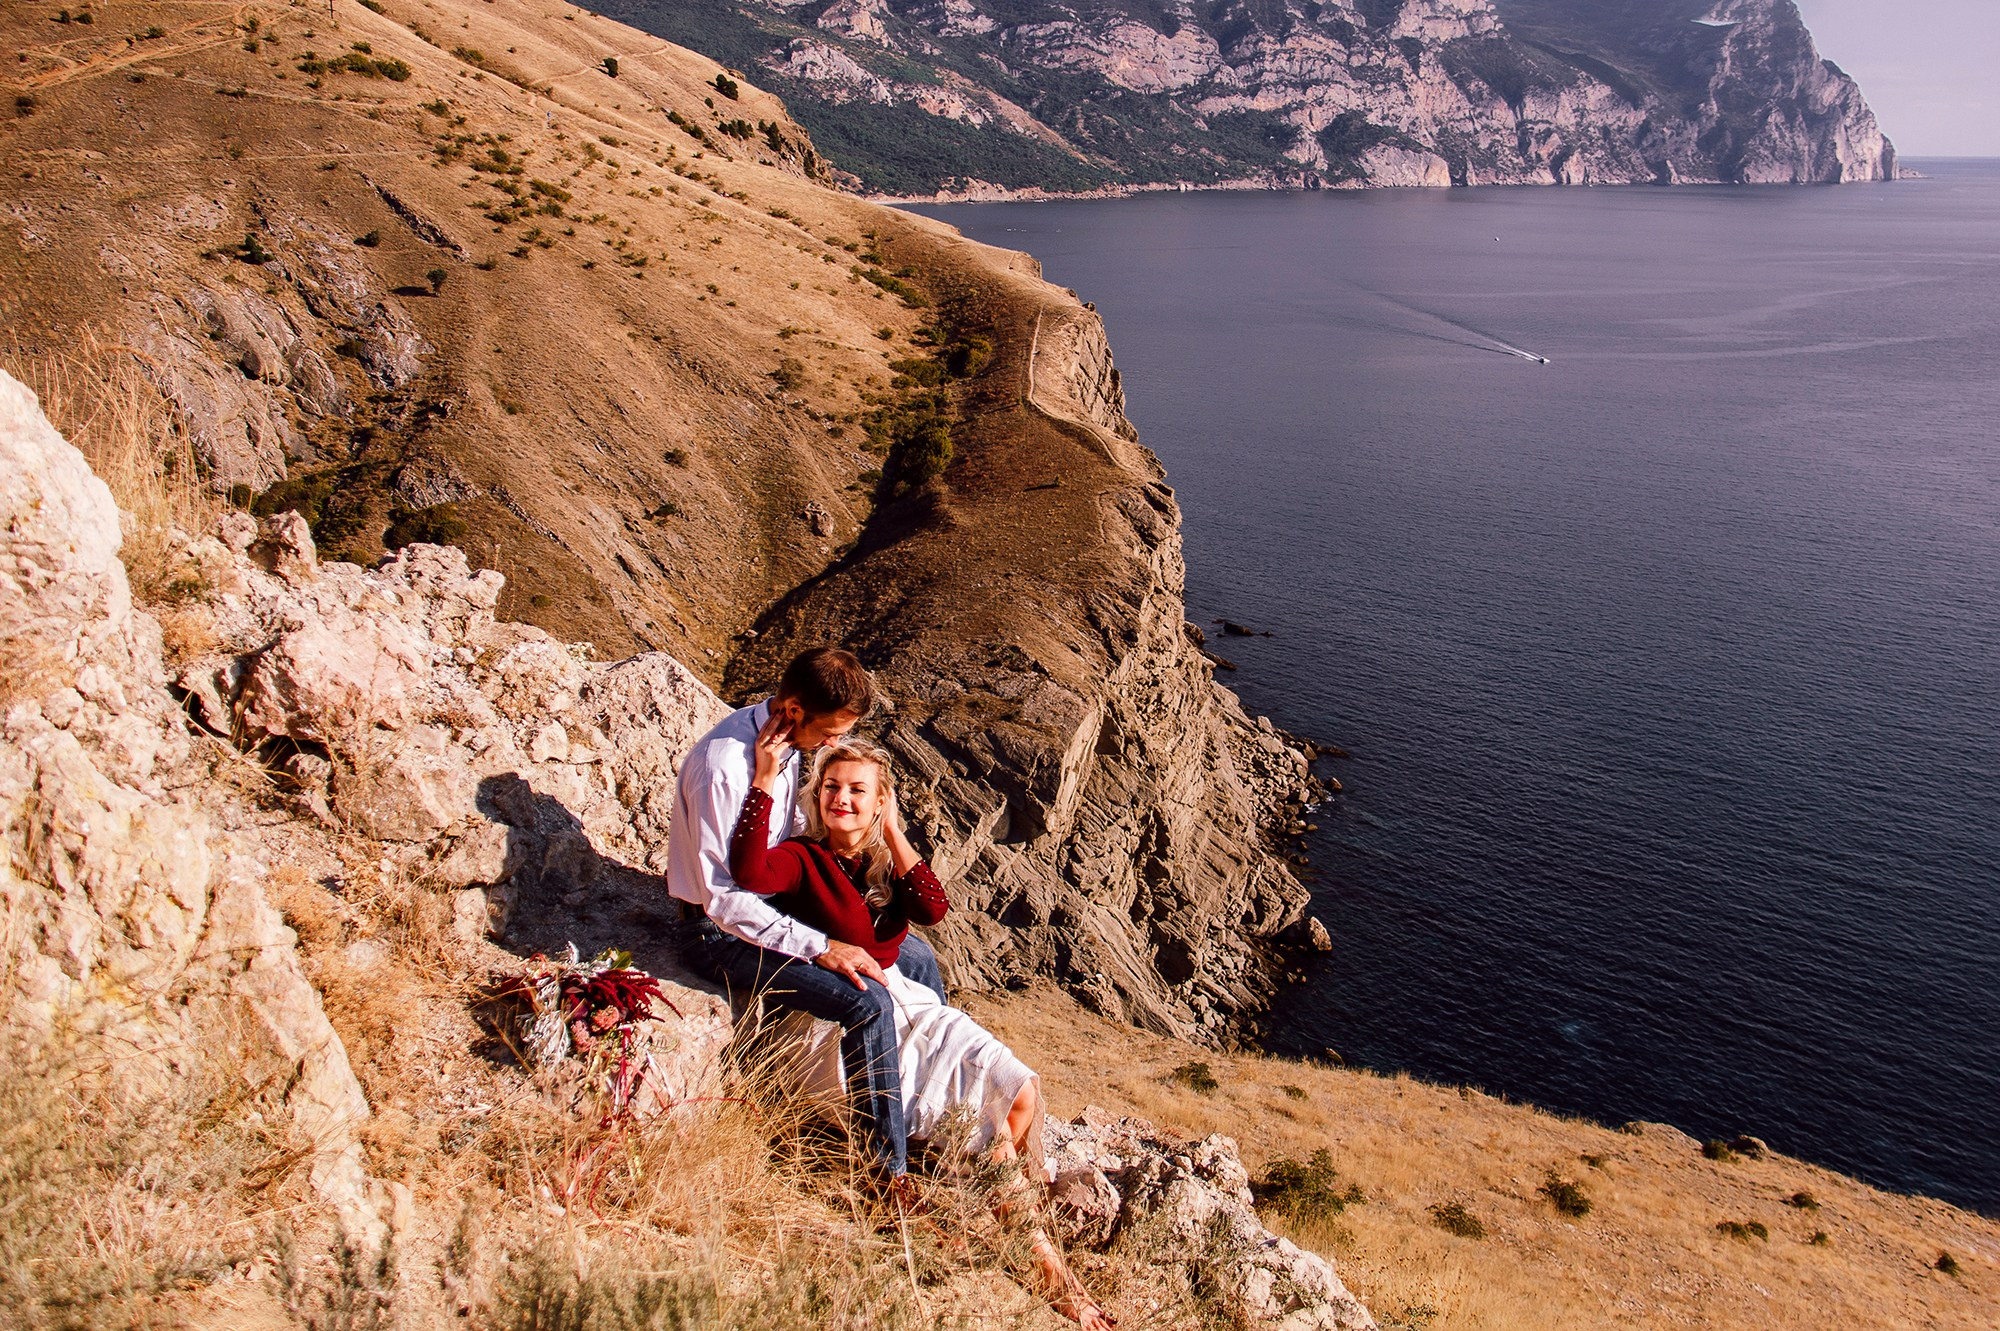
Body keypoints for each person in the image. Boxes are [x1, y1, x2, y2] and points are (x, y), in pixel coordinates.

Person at [731, 734, 1114, 1331]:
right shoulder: (804, 859)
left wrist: (890, 832)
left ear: (881, 799)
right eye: (832, 787)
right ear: (816, 794)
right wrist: (761, 779)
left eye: (859, 790)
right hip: (841, 1021)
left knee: (1020, 1092)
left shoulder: (885, 865)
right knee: (989, 1133)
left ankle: (994, 1192)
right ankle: (1051, 1272)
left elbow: (933, 908)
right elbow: (750, 870)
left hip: (905, 1004)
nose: (842, 799)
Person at [669, 646, 944, 1186]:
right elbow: (723, 900)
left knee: (915, 956)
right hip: (717, 934)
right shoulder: (726, 768)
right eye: (831, 731)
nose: (835, 744)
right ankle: (885, 1170)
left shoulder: (783, 744)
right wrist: (822, 946)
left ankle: (927, 1102)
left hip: (776, 902)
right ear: (793, 710)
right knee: (865, 1001)